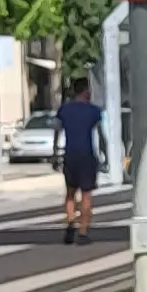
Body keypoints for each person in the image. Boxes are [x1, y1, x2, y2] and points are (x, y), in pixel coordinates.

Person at [53, 86, 107, 245]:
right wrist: (104, 154)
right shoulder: (93, 111)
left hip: (70, 155)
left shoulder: (63, 110)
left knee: (70, 193)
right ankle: (83, 231)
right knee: (86, 195)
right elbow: (101, 134)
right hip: (87, 156)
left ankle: (70, 222)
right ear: (85, 93)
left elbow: (57, 131)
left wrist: (55, 152)